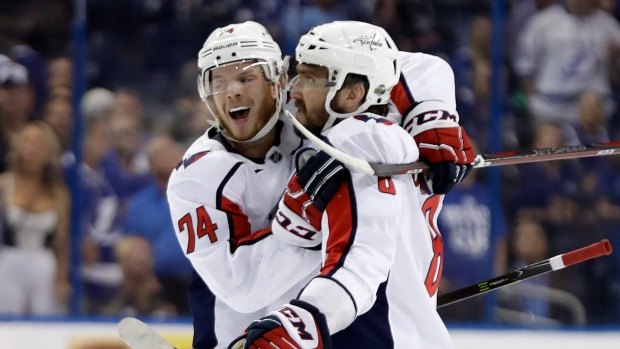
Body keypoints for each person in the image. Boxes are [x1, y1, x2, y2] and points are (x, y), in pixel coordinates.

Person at [229, 20, 473, 349]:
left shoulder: (360, 138)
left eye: (311, 78)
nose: (295, 89)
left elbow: (359, 266)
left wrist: (299, 326)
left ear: (353, 93)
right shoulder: (338, 142)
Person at [167, 21, 322, 348]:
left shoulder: (318, 134)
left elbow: (387, 65)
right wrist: (320, 224)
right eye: (218, 81)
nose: (232, 91)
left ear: (278, 81)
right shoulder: (197, 176)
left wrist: (428, 114)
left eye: (246, 77)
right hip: (234, 338)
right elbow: (239, 286)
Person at [0, 121, 70, 315]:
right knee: (8, 320)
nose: (33, 149)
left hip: (44, 262)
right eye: (28, 142)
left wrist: (61, 280)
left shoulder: (59, 193)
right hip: (9, 260)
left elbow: (62, 243)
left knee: (46, 316)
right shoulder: (5, 184)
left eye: (39, 143)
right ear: (18, 147)